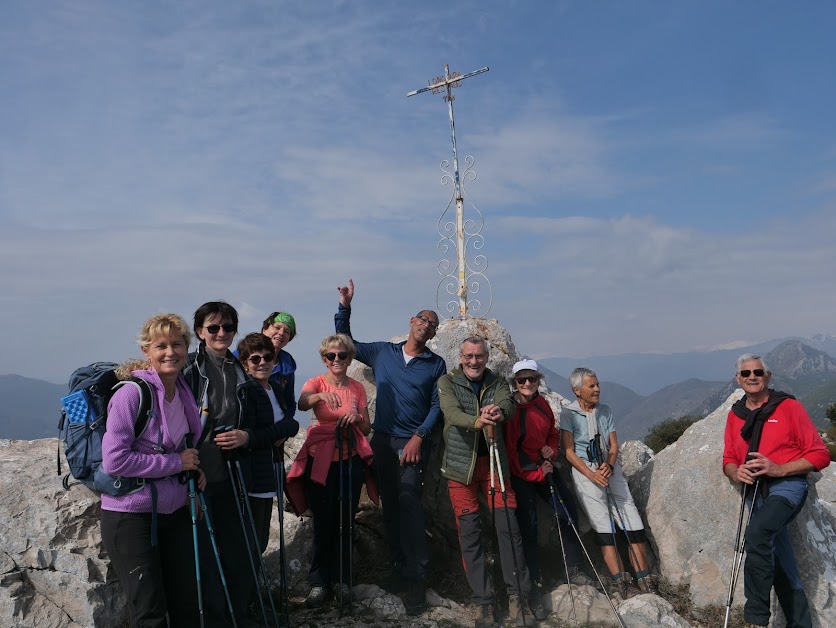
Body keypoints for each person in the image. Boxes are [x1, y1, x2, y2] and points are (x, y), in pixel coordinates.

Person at [334, 278, 446, 614]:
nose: (426, 325)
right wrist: (344, 307)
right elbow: (346, 342)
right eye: (423, 319)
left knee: (410, 504)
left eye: (433, 324)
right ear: (411, 321)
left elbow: (437, 406)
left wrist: (419, 437)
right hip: (382, 441)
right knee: (391, 508)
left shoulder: (436, 364)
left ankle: (417, 579)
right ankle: (398, 569)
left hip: (412, 443)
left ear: (434, 334)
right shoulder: (384, 352)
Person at [100, 313, 204, 627]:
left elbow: (181, 447)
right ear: (146, 351)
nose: (170, 352)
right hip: (131, 517)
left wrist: (192, 472)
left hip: (174, 512)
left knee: (186, 603)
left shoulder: (183, 392)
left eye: (177, 344)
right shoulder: (131, 394)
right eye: (161, 346)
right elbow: (115, 460)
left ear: (186, 348)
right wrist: (176, 463)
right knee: (150, 612)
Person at [722, 354, 829, 627]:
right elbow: (729, 458)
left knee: (757, 533)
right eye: (746, 373)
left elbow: (820, 454)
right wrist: (735, 472)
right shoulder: (735, 415)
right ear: (738, 379)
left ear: (768, 376)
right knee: (781, 561)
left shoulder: (788, 407)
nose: (752, 377)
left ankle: (756, 615)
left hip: (787, 487)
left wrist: (778, 469)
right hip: (755, 492)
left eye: (758, 372)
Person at [438, 336, 537, 628]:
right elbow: (451, 413)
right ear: (461, 356)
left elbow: (508, 405)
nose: (474, 361)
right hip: (461, 469)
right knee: (470, 534)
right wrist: (477, 421)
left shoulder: (498, 382)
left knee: (509, 529)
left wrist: (498, 412)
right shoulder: (447, 382)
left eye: (479, 356)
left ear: (487, 357)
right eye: (469, 356)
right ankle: (484, 601)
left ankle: (519, 597)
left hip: (494, 465)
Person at [287, 334, 375, 608]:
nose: (336, 360)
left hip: (349, 460)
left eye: (342, 355)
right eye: (331, 356)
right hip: (320, 461)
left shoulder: (357, 388)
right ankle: (319, 582)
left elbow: (366, 428)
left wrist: (356, 418)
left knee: (345, 521)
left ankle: (342, 580)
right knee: (323, 522)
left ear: (350, 359)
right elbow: (302, 403)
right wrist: (319, 396)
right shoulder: (316, 382)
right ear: (324, 359)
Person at [182, 301, 256, 627]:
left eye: (228, 327)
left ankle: (237, 615)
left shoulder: (238, 368)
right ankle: (215, 620)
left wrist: (245, 436)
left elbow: (248, 417)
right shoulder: (190, 368)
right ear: (200, 332)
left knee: (237, 551)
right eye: (213, 327)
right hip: (197, 474)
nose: (221, 333)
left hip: (230, 474)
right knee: (206, 556)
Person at [503, 359, 594, 621]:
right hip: (522, 474)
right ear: (514, 383)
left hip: (543, 467)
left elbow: (552, 435)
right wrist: (536, 473)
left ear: (538, 380)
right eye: (521, 380)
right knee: (528, 528)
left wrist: (550, 452)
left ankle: (574, 568)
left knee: (567, 510)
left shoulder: (541, 403)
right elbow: (511, 451)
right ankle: (533, 586)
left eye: (531, 378)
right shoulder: (511, 410)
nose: (527, 383)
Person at [560, 367, 654, 599]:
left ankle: (645, 579)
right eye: (591, 386)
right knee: (604, 530)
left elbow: (613, 445)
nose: (597, 389)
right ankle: (623, 583)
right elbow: (569, 451)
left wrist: (610, 466)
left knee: (633, 525)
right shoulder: (568, 414)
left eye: (597, 384)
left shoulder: (605, 411)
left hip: (610, 469)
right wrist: (591, 475)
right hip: (586, 473)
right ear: (577, 390)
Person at [235, 333, 300, 554]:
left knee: (260, 540)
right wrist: (284, 429)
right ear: (245, 364)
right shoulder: (246, 391)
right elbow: (250, 434)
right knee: (251, 542)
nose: (262, 362)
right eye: (255, 359)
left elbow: (290, 423)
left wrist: (287, 427)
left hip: (271, 471)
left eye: (267, 357)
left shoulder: (275, 388)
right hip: (253, 474)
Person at [260, 311, 299, 424]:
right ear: (264, 330)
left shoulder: (287, 366)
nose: (281, 333)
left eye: (286, 332)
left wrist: (284, 426)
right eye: (277, 327)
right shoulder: (243, 353)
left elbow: (289, 402)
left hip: (276, 428)